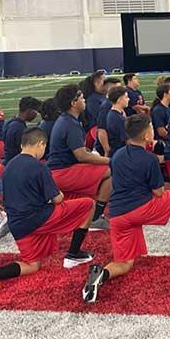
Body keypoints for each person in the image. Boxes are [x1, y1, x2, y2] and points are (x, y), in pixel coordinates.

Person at [0, 128, 97, 301]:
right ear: (40, 144)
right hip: (38, 218)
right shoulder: (38, 167)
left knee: (32, 265)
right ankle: (74, 254)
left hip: (18, 223)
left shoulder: (8, 167)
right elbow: (57, 199)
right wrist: (59, 194)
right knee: (88, 204)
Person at [82, 115, 170, 303]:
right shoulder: (149, 158)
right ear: (147, 135)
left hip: (117, 214)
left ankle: (101, 274)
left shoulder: (117, 155)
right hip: (140, 209)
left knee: (124, 264)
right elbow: (159, 192)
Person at [47, 85, 111, 230]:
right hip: (63, 172)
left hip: (59, 170)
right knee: (112, 170)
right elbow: (81, 156)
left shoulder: (67, 120)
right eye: (81, 98)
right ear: (73, 103)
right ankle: (96, 217)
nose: (85, 100)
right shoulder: (70, 123)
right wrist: (110, 160)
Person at [1, 96, 42, 167]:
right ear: (29, 111)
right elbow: (24, 151)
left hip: (6, 163)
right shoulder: (19, 128)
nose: (36, 115)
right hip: (13, 166)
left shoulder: (11, 122)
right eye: (36, 112)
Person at [93, 76, 124, 155]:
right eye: (119, 88)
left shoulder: (114, 102)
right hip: (111, 146)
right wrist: (107, 150)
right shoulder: (106, 106)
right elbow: (101, 130)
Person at [103, 86, 130, 158]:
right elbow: (128, 141)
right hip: (120, 154)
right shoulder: (118, 119)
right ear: (119, 100)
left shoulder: (112, 113)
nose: (128, 99)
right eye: (126, 97)